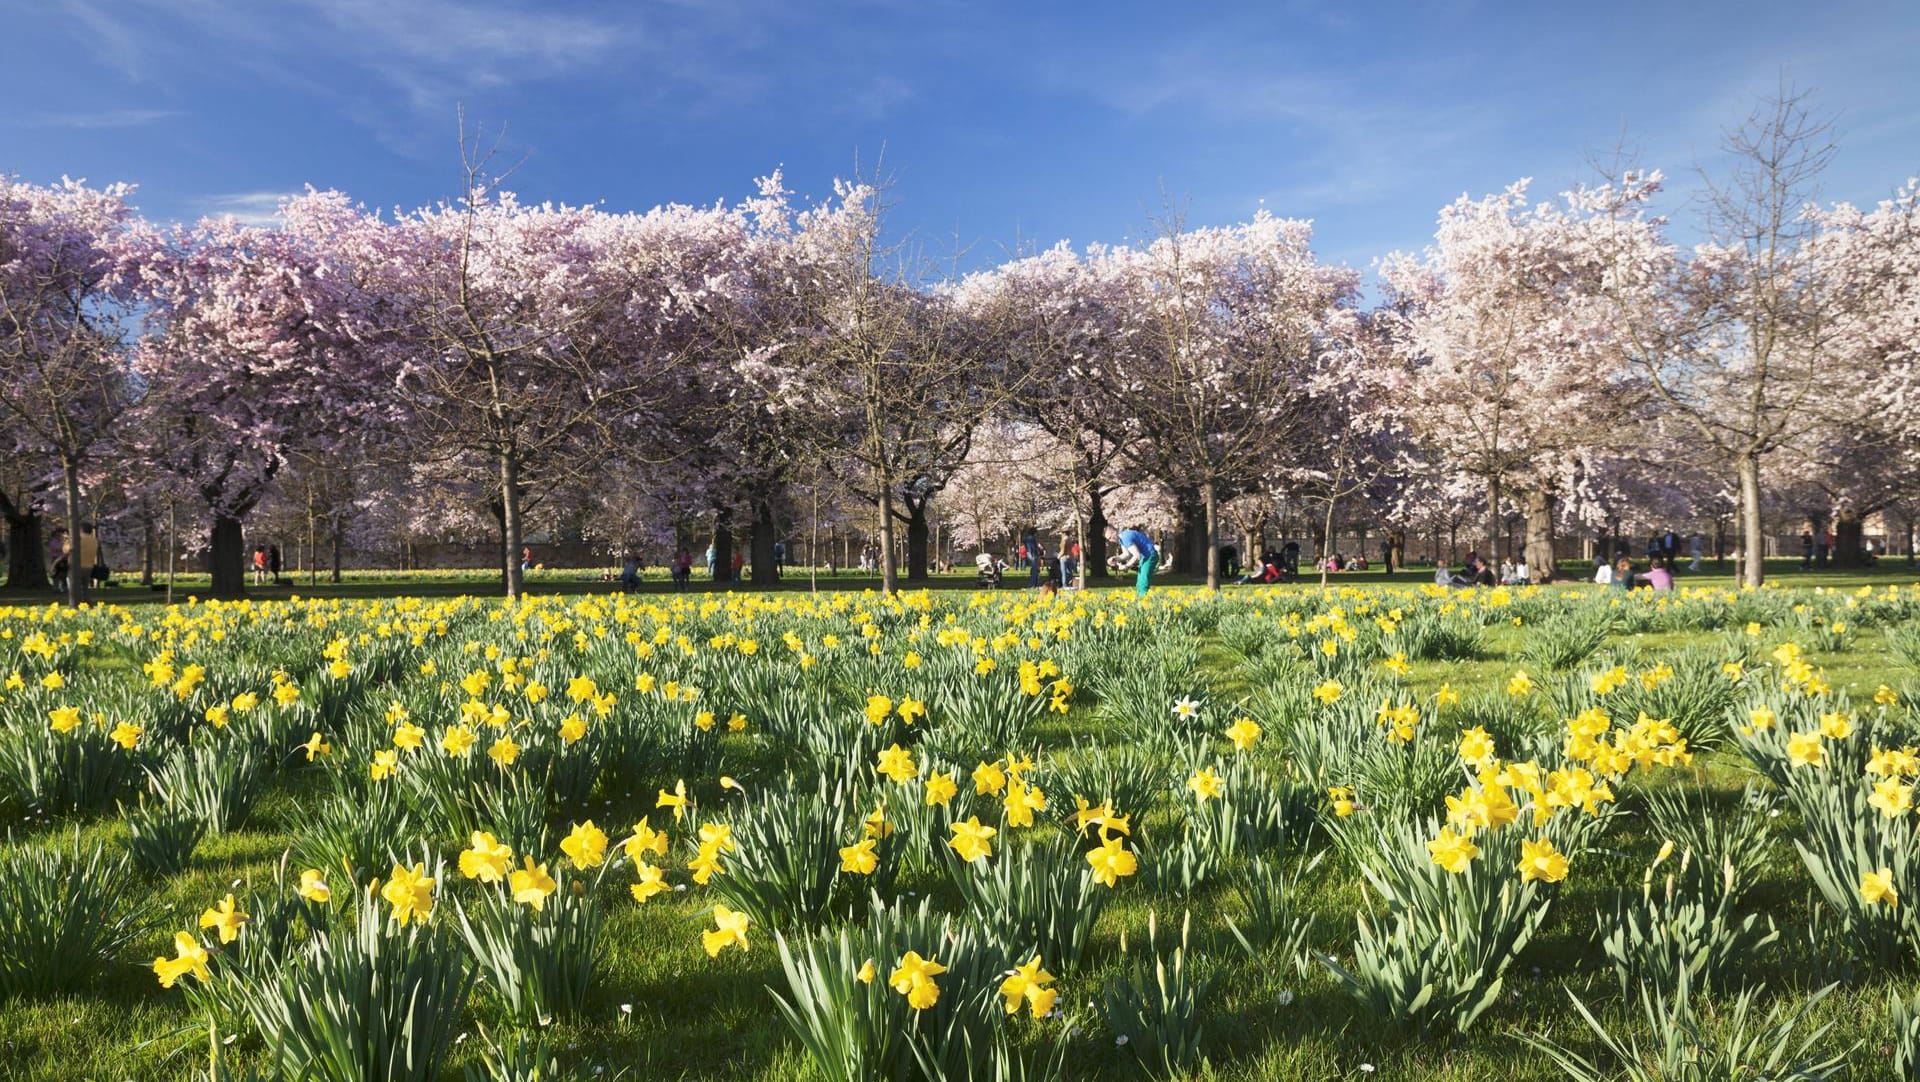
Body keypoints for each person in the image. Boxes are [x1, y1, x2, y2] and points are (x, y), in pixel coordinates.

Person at [1108, 524, 1158, 597]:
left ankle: (1145, 601)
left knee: (1143, 582)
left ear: (1114, 532)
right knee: (1139, 584)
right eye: (1108, 539)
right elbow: (1126, 555)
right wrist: (1115, 558)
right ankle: (1142, 599)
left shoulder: (1126, 538)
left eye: (1110, 537)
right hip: (1145, 557)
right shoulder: (1122, 539)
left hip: (1150, 556)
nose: (1110, 540)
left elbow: (1136, 555)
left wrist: (1126, 566)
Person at [76, 523, 99, 601]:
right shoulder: (94, 540)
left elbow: (66, 549)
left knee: (76, 587)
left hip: (78, 566)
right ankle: (87, 603)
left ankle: (79, 603)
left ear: (81, 530)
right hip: (89, 566)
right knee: (85, 587)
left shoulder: (79, 539)